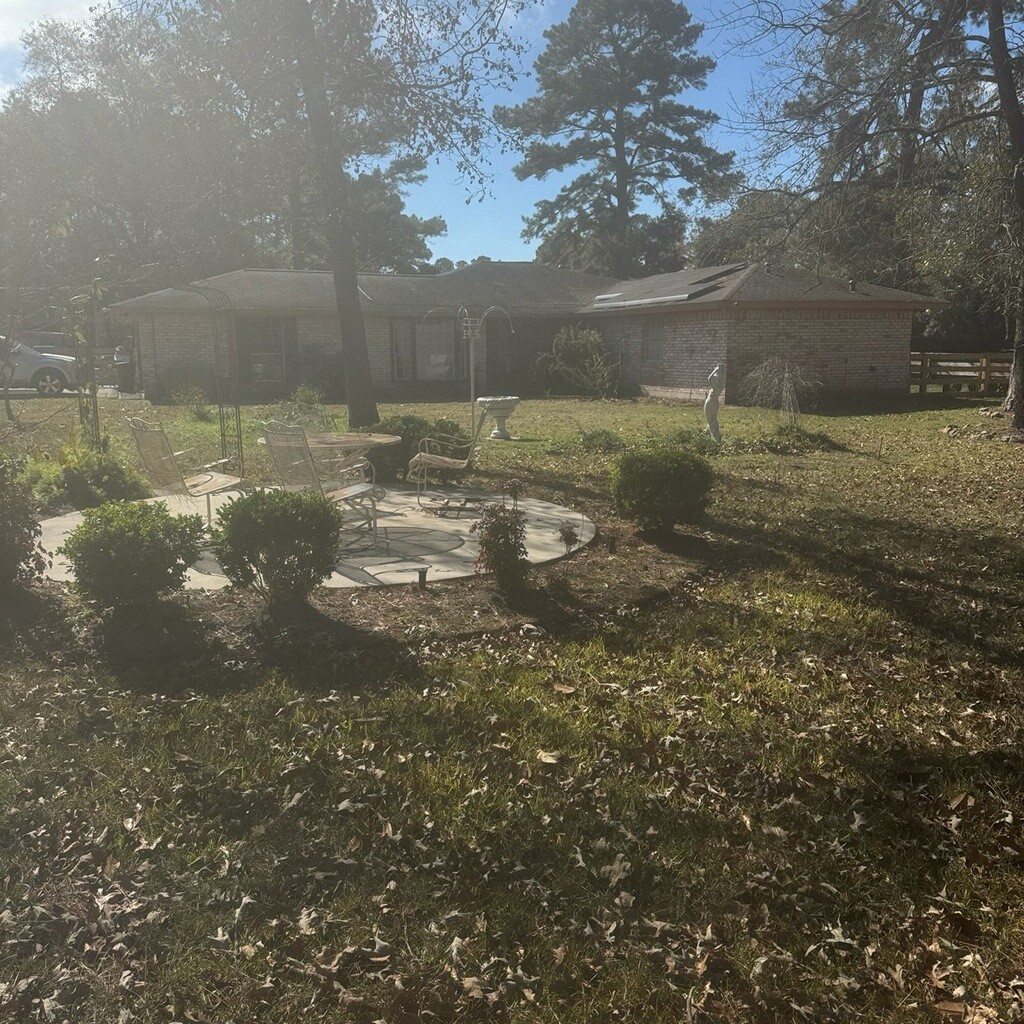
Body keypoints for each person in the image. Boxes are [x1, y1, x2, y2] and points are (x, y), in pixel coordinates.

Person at [704, 364, 722, 443]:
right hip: (714, 402)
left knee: (710, 420)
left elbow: (709, 378)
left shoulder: (716, 387)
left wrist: (716, 369)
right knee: (713, 419)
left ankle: (714, 437)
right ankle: (714, 435)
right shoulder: (720, 386)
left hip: (711, 402)